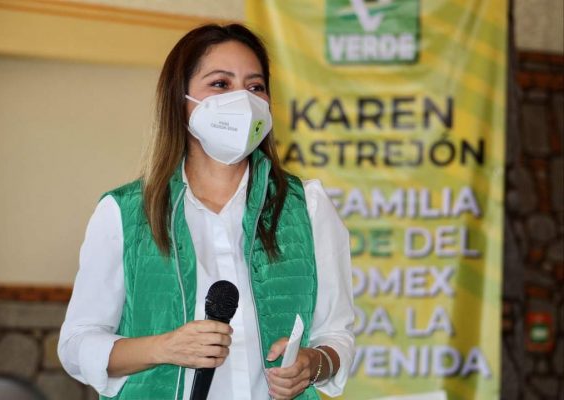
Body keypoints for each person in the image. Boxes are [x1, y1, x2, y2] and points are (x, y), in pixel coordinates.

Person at [58, 23, 354, 400]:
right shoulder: (124, 212)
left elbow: (337, 334)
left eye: (255, 87)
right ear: (179, 100)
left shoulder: (307, 206)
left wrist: (314, 363)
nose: (241, 100)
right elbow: (76, 346)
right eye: (220, 84)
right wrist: (162, 348)